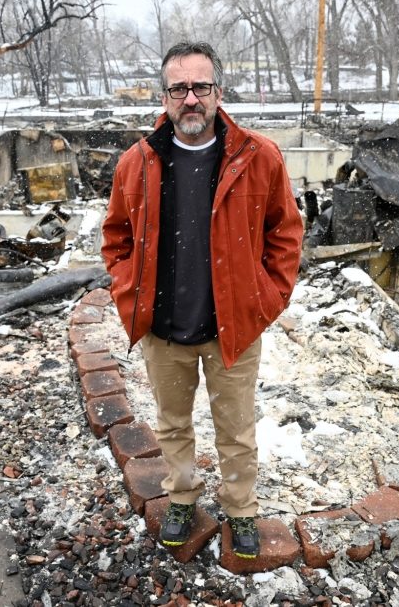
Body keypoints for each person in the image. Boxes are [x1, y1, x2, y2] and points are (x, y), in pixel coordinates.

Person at [101, 42, 303, 559]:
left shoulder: (259, 157)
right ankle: (183, 497)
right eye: (179, 88)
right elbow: (116, 238)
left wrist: (267, 297)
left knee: (236, 429)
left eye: (201, 87)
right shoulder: (137, 162)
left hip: (232, 327)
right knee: (172, 425)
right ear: (164, 96)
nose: (190, 99)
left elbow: (285, 234)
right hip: (163, 328)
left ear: (218, 91)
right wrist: (131, 292)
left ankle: (241, 509)